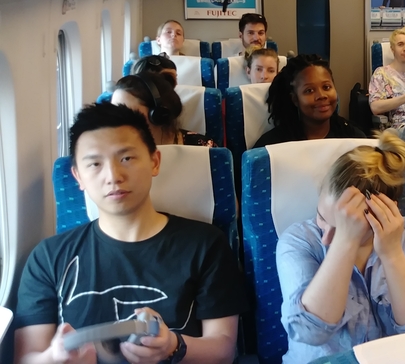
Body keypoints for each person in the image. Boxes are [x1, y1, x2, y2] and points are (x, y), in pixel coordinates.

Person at [13, 103, 246, 364]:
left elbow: (223, 349)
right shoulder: (48, 257)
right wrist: (53, 360)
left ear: (154, 162)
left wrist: (174, 346)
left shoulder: (205, 244)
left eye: (126, 158)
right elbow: (26, 356)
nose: (113, 176)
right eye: (95, 164)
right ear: (78, 177)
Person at [277, 130, 405, 363]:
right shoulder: (299, 240)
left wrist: (392, 253)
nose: (326, 237)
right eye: (322, 217)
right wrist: (345, 242)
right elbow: (309, 332)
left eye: (349, 227)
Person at [253, 54, 365, 147]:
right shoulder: (273, 146)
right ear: (295, 99)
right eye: (309, 90)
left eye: (326, 87)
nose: (321, 95)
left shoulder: (355, 139)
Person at [112, 72, 217, 147]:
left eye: (127, 112)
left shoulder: (203, 148)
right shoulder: (110, 152)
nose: (117, 119)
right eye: (114, 111)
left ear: (158, 115)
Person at [368, 27, 405, 128]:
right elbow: (375, 107)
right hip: (397, 129)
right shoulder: (381, 74)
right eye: (400, 44)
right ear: (392, 49)